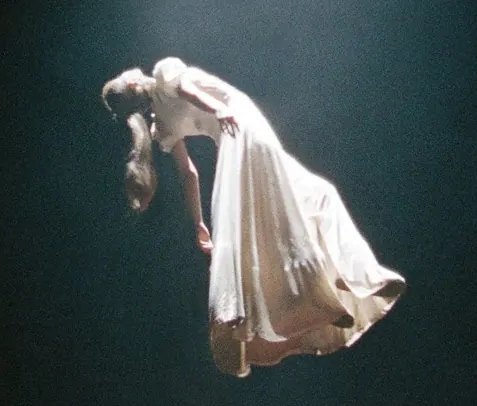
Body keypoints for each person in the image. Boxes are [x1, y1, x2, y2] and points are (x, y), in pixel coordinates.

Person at [102, 57, 409, 377]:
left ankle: (345, 278)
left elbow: (190, 95)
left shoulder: (166, 76)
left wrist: (218, 110)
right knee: (298, 202)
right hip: (236, 131)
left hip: (239, 123)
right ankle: (323, 296)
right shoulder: (162, 125)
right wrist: (199, 223)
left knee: (306, 198)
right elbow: (188, 172)